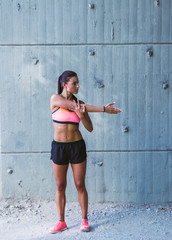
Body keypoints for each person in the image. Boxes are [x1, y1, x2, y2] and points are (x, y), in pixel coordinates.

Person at [49, 70, 122, 234]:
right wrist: (103, 109)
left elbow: (89, 128)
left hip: (76, 146)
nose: (77, 85)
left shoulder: (80, 104)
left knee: (79, 184)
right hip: (59, 147)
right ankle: (61, 222)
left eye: (78, 83)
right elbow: (73, 106)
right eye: (74, 83)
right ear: (64, 84)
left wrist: (82, 116)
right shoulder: (55, 99)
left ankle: (84, 220)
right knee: (60, 185)